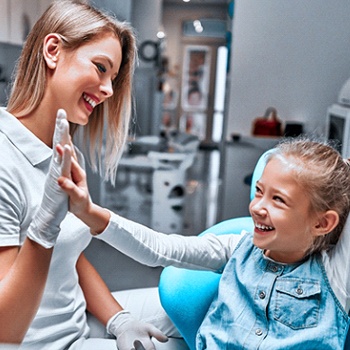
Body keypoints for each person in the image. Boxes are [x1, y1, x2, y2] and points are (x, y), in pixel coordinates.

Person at [0, 1, 182, 349]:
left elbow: (71, 254)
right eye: (101, 68)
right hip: (44, 344)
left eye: (112, 78)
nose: (109, 90)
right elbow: (4, 330)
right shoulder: (3, 160)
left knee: (207, 305)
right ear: (53, 50)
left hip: (81, 323)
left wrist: (119, 318)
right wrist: (43, 230)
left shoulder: (63, 147)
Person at [59, 138, 350, 349]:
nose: (258, 207)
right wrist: (91, 214)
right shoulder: (239, 248)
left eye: (278, 200)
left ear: (322, 223)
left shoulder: (335, 276)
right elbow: (162, 248)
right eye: (259, 192)